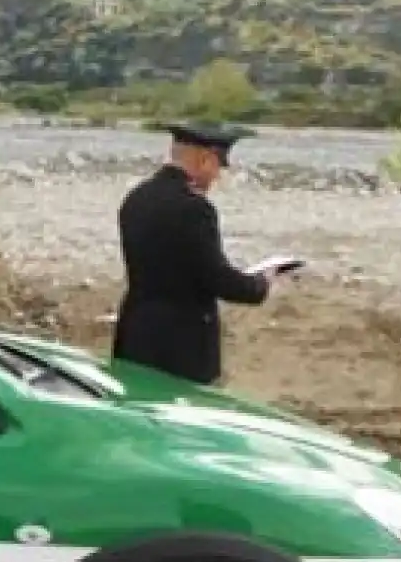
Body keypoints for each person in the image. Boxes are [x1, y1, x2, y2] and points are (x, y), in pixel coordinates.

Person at [111, 121, 289, 385]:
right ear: (205, 159)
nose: (217, 176)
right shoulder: (194, 209)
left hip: (136, 330)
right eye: (218, 165)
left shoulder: (136, 198)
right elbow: (216, 278)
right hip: (182, 343)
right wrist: (261, 284)